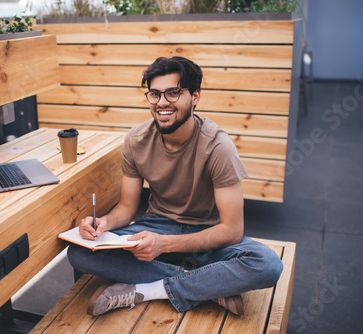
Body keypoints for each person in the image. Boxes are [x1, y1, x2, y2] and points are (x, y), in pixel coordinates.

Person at [67, 56, 283, 317]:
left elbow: (233, 230)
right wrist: (102, 223)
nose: (162, 103)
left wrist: (165, 245)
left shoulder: (218, 146)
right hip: (158, 225)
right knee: (80, 252)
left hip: (206, 236)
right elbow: (126, 208)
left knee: (268, 265)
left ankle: (150, 289)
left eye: (173, 93)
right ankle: (209, 285)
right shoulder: (136, 140)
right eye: (155, 94)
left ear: (195, 97)